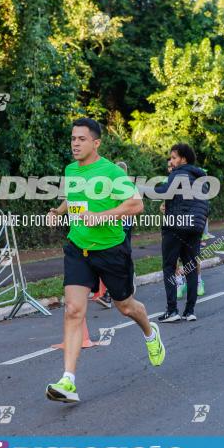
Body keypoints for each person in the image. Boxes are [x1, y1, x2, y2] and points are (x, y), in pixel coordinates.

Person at [45, 118, 164, 403]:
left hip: (110, 250)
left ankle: (150, 332)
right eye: (73, 138)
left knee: (126, 307)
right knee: (73, 310)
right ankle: (68, 381)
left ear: (96, 143)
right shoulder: (71, 170)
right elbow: (73, 197)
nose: (75, 143)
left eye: (81, 139)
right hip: (78, 248)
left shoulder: (111, 172)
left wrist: (102, 216)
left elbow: (137, 204)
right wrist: (59, 211)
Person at [157, 143, 210, 323]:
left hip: (176, 226)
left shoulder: (178, 173)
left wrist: (142, 190)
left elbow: (165, 191)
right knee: (191, 267)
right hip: (195, 228)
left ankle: (172, 310)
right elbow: (203, 205)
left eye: (173, 158)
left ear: (183, 159)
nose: (171, 162)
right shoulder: (200, 179)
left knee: (169, 266)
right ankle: (190, 311)